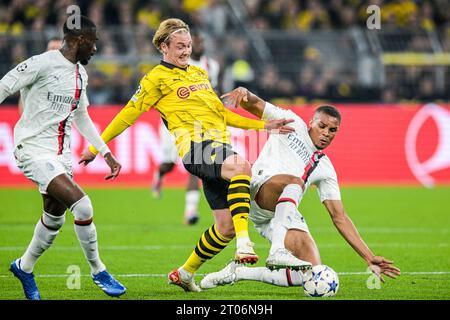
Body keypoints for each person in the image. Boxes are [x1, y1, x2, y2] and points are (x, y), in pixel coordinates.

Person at [78, 18, 294, 292]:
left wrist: (263, 126)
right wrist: (96, 147)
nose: (186, 51)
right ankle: (245, 242)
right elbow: (126, 116)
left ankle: (185, 272)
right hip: (196, 149)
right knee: (241, 166)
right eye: (180, 46)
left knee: (224, 227)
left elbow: (221, 114)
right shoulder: (155, 78)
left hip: (217, 148)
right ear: (163, 47)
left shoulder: (198, 73)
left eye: (188, 46)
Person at [200, 87, 401, 290]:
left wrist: (369, 257)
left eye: (332, 131)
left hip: (283, 212)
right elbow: (254, 104)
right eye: (322, 126)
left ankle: (239, 273)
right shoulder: (292, 122)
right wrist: (246, 94)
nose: (325, 133)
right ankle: (277, 250)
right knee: (296, 181)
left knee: (311, 273)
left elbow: (339, 216)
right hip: (260, 191)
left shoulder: (325, 168)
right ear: (311, 122)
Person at [0, 15, 126, 300]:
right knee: (82, 206)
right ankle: (98, 270)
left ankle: (24, 266)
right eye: (93, 42)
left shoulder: (81, 74)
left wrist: (105, 152)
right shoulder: (41, 63)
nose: (95, 49)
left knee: (53, 218)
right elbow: (5, 85)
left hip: (61, 156)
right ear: (79, 40)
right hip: (32, 150)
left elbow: (82, 117)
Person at [151, 29, 221, 225]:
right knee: (169, 164)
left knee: (195, 165)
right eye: (192, 43)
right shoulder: (179, 63)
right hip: (173, 123)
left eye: (197, 43)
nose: (196, 46)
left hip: (198, 123)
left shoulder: (211, 66)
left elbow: (214, 91)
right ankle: (159, 174)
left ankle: (190, 211)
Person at [18, 37, 63, 115]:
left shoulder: (71, 74)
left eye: (58, 49)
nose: (54, 52)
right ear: (46, 51)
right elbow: (23, 102)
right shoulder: (35, 73)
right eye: (52, 48)